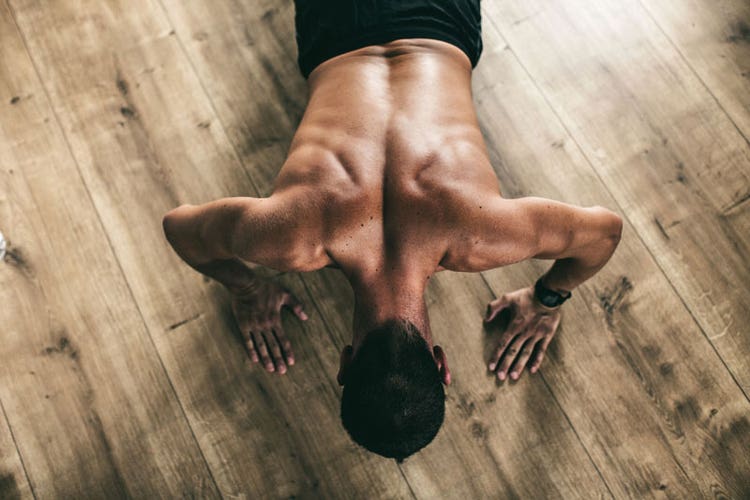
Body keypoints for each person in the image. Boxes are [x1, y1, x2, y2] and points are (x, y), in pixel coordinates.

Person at [162, 0, 623, 461]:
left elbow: (604, 232)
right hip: (336, 29)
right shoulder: (292, 238)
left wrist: (547, 301)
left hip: (437, 22)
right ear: (344, 365)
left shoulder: (482, 235)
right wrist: (244, 290)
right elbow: (179, 227)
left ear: (442, 365)